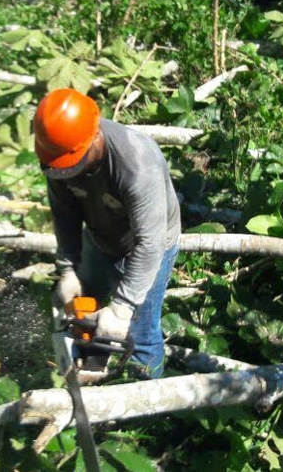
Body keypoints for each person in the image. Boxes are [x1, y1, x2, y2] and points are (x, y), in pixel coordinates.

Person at [34, 88, 181, 379]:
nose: (65, 176)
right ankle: (89, 368)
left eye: (70, 168)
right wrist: (68, 269)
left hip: (150, 245)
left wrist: (123, 308)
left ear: (94, 139)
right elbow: (65, 214)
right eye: (59, 171)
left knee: (140, 333)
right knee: (85, 305)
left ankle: (147, 406)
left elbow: (148, 244)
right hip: (100, 236)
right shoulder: (58, 156)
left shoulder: (137, 165)